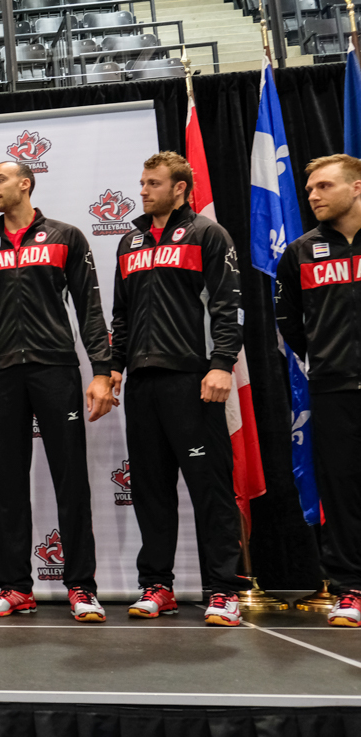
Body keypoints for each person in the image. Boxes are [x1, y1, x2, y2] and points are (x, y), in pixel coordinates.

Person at [0, 161, 114, 623]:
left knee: (71, 481)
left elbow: (90, 307)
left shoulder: (66, 237)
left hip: (55, 370)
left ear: (25, 184)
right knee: (7, 483)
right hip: (2, 374)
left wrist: (102, 371)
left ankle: (81, 587)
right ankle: (15, 588)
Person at [110, 152, 245, 627]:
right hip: (142, 383)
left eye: (153, 183)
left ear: (180, 188)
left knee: (211, 490)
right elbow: (122, 314)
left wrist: (222, 364)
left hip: (194, 381)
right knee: (150, 491)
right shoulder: (129, 241)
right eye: (142, 182)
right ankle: (157, 587)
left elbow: (229, 306)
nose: (143, 190)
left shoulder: (208, 234)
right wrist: (114, 367)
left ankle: (224, 590)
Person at [275, 153, 361, 628]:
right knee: (342, 491)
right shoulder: (301, 252)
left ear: (356, 187)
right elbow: (289, 320)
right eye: (309, 189)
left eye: (324, 186)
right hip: (332, 388)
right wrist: (324, 357)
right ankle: (351, 590)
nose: (312, 195)